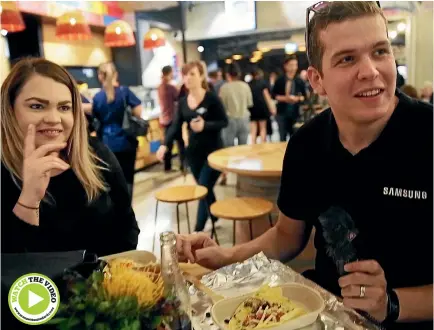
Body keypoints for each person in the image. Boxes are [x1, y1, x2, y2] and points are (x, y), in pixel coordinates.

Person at [175, 2, 433, 330]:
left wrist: (392, 304)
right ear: (317, 80)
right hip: (326, 314)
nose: (370, 71)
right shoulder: (307, 145)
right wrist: (225, 255)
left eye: (380, 51)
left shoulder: (428, 136)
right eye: (347, 58)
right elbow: (287, 236)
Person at [1, 58, 139, 256]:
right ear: (10, 109)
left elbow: (127, 225)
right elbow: (9, 265)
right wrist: (29, 198)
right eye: (37, 106)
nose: (53, 119)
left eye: (64, 107)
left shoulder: (97, 155)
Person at [156, 61, 228, 232]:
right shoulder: (181, 103)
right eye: (185, 74)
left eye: (192, 74)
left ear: (201, 76)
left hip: (214, 153)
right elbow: (174, 126)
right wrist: (165, 145)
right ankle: (214, 214)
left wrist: (206, 125)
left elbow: (224, 122)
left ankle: (197, 231)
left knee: (202, 189)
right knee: (205, 188)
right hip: (193, 153)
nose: (187, 78)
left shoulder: (212, 98)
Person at [92, 62, 143, 200]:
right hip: (126, 142)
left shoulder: (97, 97)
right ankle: (126, 209)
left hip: (106, 144)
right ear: (116, 74)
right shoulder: (124, 92)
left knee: (110, 180)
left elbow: (95, 119)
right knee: (127, 178)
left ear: (100, 76)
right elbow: (138, 112)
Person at [158, 65, 185, 172]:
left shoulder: (159, 87)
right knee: (180, 143)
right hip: (173, 119)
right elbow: (178, 98)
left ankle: (167, 167)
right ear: (169, 73)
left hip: (164, 119)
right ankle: (183, 165)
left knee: (167, 144)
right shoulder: (171, 87)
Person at [272, 56, 307, 141]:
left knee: (295, 138)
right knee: (282, 137)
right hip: (281, 113)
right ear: (285, 66)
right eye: (291, 65)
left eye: (295, 65)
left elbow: (305, 97)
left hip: (296, 113)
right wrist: (285, 98)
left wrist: (297, 99)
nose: (293, 67)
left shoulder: (299, 81)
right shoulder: (279, 80)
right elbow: (273, 95)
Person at [219, 62, 253, 147]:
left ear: (227, 74)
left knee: (228, 148)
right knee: (243, 147)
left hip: (230, 120)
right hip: (244, 119)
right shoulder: (245, 86)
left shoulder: (224, 88)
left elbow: (222, 106)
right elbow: (249, 104)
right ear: (239, 73)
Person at [248, 68, 276, 143]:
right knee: (263, 128)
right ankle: (263, 145)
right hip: (262, 108)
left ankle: (253, 145)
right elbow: (267, 97)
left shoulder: (248, 84)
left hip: (251, 108)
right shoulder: (263, 83)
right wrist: (272, 108)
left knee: (253, 130)